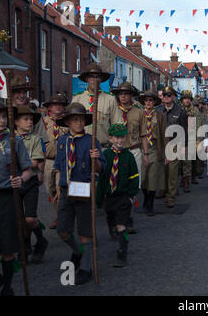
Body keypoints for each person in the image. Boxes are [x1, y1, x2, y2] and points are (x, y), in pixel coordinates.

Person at [53, 103, 106, 285]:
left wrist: (95, 159)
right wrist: (58, 189)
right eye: (75, 119)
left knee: (85, 231)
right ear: (67, 122)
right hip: (66, 189)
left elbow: (101, 169)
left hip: (84, 189)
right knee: (62, 230)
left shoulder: (91, 141)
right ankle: (77, 251)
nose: (79, 122)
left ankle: (85, 268)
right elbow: (59, 167)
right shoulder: (62, 141)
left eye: (82, 119)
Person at [0, 100, 34, 296]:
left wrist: (21, 179)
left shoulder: (14, 140)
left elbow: (28, 169)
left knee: (7, 245)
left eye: (4, 117)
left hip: (7, 198)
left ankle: (7, 287)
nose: (2, 121)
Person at [96, 124, 139, 267]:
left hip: (123, 197)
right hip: (109, 197)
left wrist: (131, 196)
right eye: (117, 137)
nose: (120, 140)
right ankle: (113, 227)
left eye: (122, 137)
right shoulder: (106, 155)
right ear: (110, 138)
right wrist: (99, 198)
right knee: (112, 221)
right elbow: (101, 179)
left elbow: (134, 177)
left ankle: (122, 253)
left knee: (122, 225)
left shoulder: (129, 156)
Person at [14, 105, 48, 264]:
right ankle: (25, 247)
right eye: (25, 119)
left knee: (29, 218)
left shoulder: (36, 139)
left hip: (30, 181)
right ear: (16, 122)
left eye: (31, 120)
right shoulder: (9, 138)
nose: (29, 122)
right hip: (13, 182)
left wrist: (16, 162)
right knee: (19, 219)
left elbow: (35, 162)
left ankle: (41, 240)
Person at [111, 82, 144, 235]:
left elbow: (144, 134)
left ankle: (127, 217)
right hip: (116, 151)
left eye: (126, 93)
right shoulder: (113, 110)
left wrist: (146, 154)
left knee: (132, 185)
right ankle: (113, 217)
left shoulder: (139, 112)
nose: (123, 96)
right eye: (121, 93)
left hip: (133, 150)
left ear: (131, 95)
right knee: (114, 184)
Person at [71, 63, 123, 149]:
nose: (94, 80)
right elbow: (70, 124)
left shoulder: (110, 99)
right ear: (87, 79)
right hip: (80, 148)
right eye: (91, 77)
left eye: (97, 77)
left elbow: (117, 125)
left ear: (101, 79)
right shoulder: (77, 98)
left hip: (103, 148)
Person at [156, 86, 188, 208]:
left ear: (174, 96)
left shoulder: (180, 111)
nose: (166, 97)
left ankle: (171, 196)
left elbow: (185, 129)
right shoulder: (158, 110)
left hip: (175, 144)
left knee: (173, 171)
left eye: (169, 95)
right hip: (161, 144)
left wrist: (184, 146)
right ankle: (164, 190)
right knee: (163, 170)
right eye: (164, 95)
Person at [42, 94, 69, 230]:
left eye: (61, 104)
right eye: (55, 104)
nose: (58, 107)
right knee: (51, 189)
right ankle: (57, 214)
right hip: (48, 160)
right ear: (50, 108)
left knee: (61, 188)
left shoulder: (67, 121)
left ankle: (61, 218)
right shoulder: (43, 122)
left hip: (63, 160)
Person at [138, 91, 167, 216]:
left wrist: (167, 153)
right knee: (143, 178)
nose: (148, 102)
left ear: (155, 102)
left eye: (151, 100)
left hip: (155, 148)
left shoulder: (160, 116)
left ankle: (150, 204)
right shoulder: (139, 115)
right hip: (141, 148)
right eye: (146, 100)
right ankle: (145, 198)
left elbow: (164, 135)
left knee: (153, 178)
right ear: (144, 102)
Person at [179, 90, 196, 193]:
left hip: (189, 138)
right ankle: (180, 179)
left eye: (189, 98)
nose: (187, 100)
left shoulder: (194, 111)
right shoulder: (177, 109)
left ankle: (186, 183)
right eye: (185, 98)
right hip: (178, 137)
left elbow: (196, 126)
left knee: (187, 162)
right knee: (178, 163)